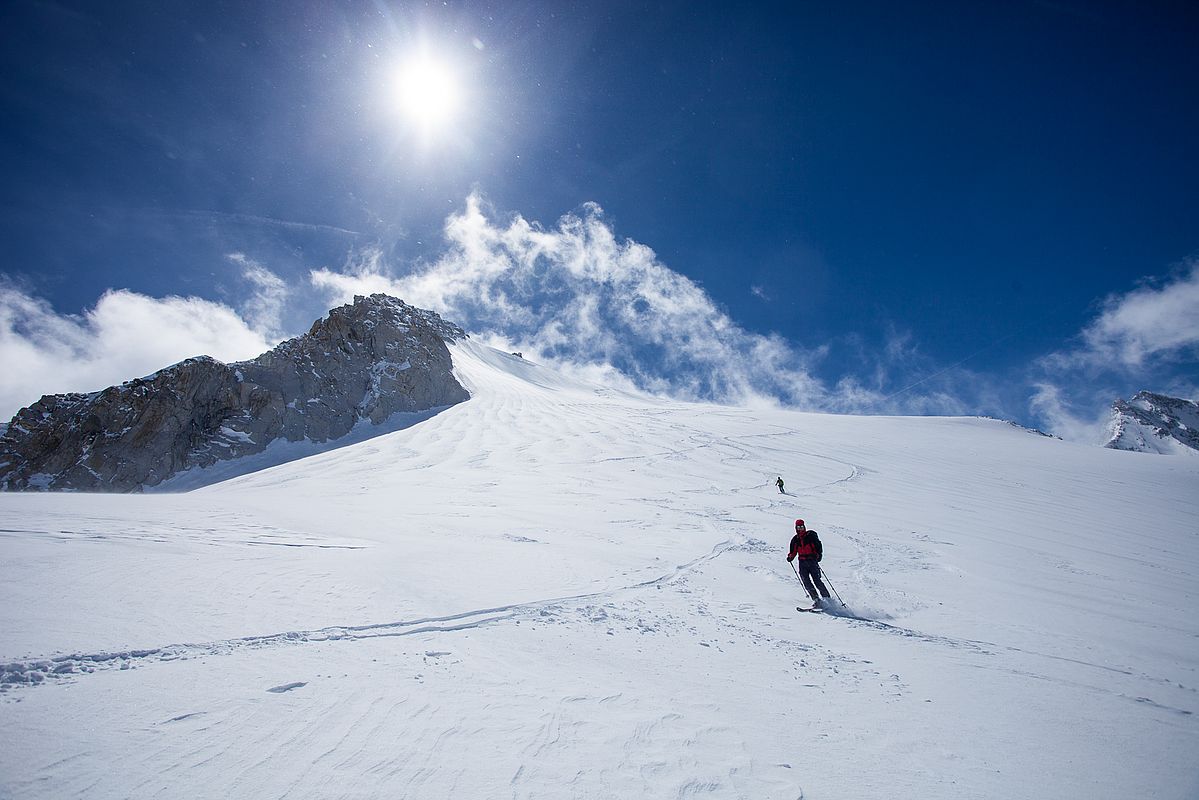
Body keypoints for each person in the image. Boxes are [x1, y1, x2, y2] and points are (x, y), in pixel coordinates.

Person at [787, 519, 830, 605]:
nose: (800, 529)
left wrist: (818, 556)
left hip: (812, 561)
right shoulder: (795, 539)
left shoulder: (810, 536)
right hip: (802, 563)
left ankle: (828, 599)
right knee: (806, 582)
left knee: (817, 580)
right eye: (798, 527)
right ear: (796, 528)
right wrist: (790, 557)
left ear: (804, 527)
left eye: (802, 527)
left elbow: (818, 547)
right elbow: (793, 551)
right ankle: (816, 600)